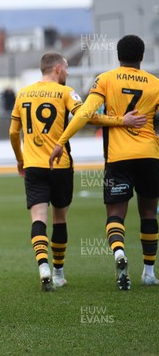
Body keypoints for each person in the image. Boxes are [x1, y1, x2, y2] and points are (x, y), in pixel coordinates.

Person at [10, 51, 146, 291]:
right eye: (67, 68)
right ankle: (59, 273)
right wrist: (119, 121)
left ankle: (43, 266)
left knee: (38, 218)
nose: (68, 72)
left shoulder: (23, 93)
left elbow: (13, 132)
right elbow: (87, 116)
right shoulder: (65, 92)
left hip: (33, 165)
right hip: (60, 165)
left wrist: (20, 160)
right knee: (60, 219)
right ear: (58, 70)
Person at [50, 35, 159, 291]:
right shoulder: (155, 84)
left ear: (118, 56)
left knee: (115, 214)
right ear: (141, 57)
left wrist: (61, 141)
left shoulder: (106, 79)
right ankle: (149, 272)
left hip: (119, 158)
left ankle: (119, 252)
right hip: (149, 155)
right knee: (148, 213)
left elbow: (85, 114)